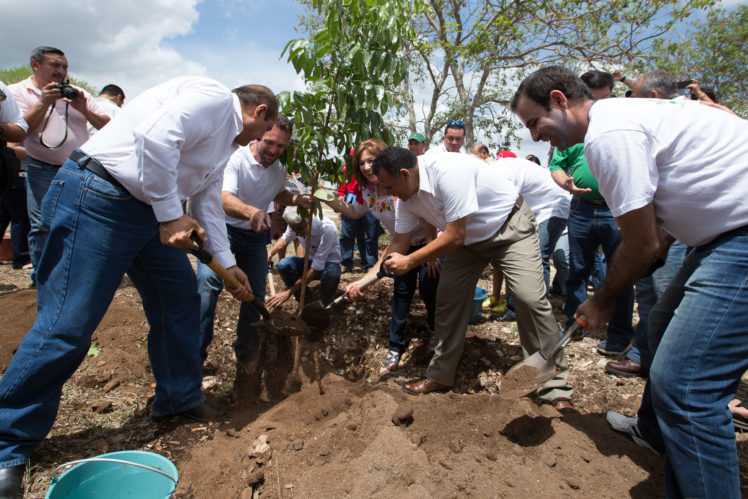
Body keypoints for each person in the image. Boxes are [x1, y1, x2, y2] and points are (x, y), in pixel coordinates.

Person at [0, 76, 278, 498]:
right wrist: (169, 215)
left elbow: (204, 202)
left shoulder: (225, 144)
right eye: (262, 133)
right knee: (67, 325)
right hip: (97, 196)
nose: (256, 142)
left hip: (148, 213)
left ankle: (179, 398)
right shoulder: (214, 98)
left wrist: (228, 264)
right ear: (259, 113)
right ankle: (8, 445)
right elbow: (155, 138)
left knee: (179, 300)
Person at [511, 65, 748, 498]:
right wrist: (665, 240)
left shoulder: (608, 136)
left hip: (739, 240)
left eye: (535, 123)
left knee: (687, 387)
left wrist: (602, 299)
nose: (535, 136)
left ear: (560, 100)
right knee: (656, 330)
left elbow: (637, 244)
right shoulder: (630, 114)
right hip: (712, 238)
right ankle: (660, 438)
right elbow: (687, 187)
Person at [355, 147, 574, 412]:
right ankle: (439, 375)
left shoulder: (448, 172)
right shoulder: (407, 198)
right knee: (447, 299)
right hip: (468, 242)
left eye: (389, 186)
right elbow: (399, 243)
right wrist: (364, 282)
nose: (388, 193)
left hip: (509, 228)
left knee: (529, 299)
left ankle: (555, 386)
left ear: (404, 173)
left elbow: (453, 236)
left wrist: (411, 261)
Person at [196, 116, 311, 375]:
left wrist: (296, 199)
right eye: (269, 142)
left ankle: (247, 361)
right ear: (258, 136)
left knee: (256, 297)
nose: (273, 150)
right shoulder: (235, 159)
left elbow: (277, 193)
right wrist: (252, 212)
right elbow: (225, 198)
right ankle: (195, 358)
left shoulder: (280, 166)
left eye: (280, 146)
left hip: (254, 237)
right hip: (222, 230)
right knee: (207, 286)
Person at [321, 139, 440, 370]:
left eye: (371, 161)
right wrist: (325, 198)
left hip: (423, 242)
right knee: (401, 292)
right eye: (362, 162)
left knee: (429, 287)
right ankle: (395, 346)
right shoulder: (367, 191)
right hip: (400, 245)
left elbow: (426, 216)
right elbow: (354, 212)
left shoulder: (396, 184)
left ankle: (436, 332)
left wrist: (431, 251)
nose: (367, 167)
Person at [547, 69, 634, 354]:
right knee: (576, 270)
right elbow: (556, 166)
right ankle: (576, 325)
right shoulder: (569, 132)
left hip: (616, 210)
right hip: (581, 210)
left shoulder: (621, 124)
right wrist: (566, 184)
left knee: (617, 273)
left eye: (601, 99)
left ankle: (619, 334)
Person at [8, 47, 110, 281]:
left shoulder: (77, 93)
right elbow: (19, 131)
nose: (61, 71)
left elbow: (107, 125)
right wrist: (44, 102)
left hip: (80, 167)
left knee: (82, 222)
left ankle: (77, 275)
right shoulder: (19, 92)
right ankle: (43, 278)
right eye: (55, 65)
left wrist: (83, 108)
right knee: (44, 224)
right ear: (35, 64)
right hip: (42, 168)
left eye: (64, 67)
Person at [266, 206, 342, 308]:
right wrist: (270, 253)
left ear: (308, 221)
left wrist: (288, 293)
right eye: (294, 229)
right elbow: (286, 237)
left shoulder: (327, 228)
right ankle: (307, 301)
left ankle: (322, 304)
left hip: (329, 264)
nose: (297, 234)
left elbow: (316, 268)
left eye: (300, 229)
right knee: (284, 265)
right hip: (310, 261)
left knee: (332, 276)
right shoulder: (295, 223)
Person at [0, 81, 30, 270]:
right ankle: (21, 257)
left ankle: (21, 258)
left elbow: (19, 130)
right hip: (18, 176)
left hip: (13, 174)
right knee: (18, 216)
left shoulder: (2, 89)